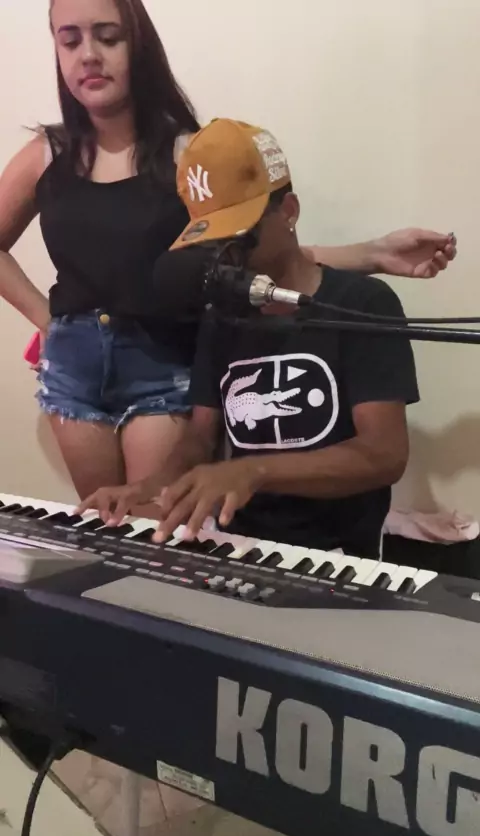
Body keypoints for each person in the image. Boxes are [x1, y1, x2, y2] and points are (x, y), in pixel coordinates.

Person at [0, 0, 456, 506]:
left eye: (108, 37)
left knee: (153, 521)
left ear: (139, 45)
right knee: (105, 518)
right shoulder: (45, 154)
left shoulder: (189, 156)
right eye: (69, 41)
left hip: (161, 355)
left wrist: (373, 254)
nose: (88, 55)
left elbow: (256, 252)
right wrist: (46, 321)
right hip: (75, 363)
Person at [78, 118, 423, 560]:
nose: (228, 253)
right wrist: (150, 486)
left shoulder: (363, 303)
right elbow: (199, 438)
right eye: (214, 238)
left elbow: (384, 455)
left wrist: (254, 471)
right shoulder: (222, 315)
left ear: (289, 210)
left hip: (337, 557)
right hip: (242, 548)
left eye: (239, 233)